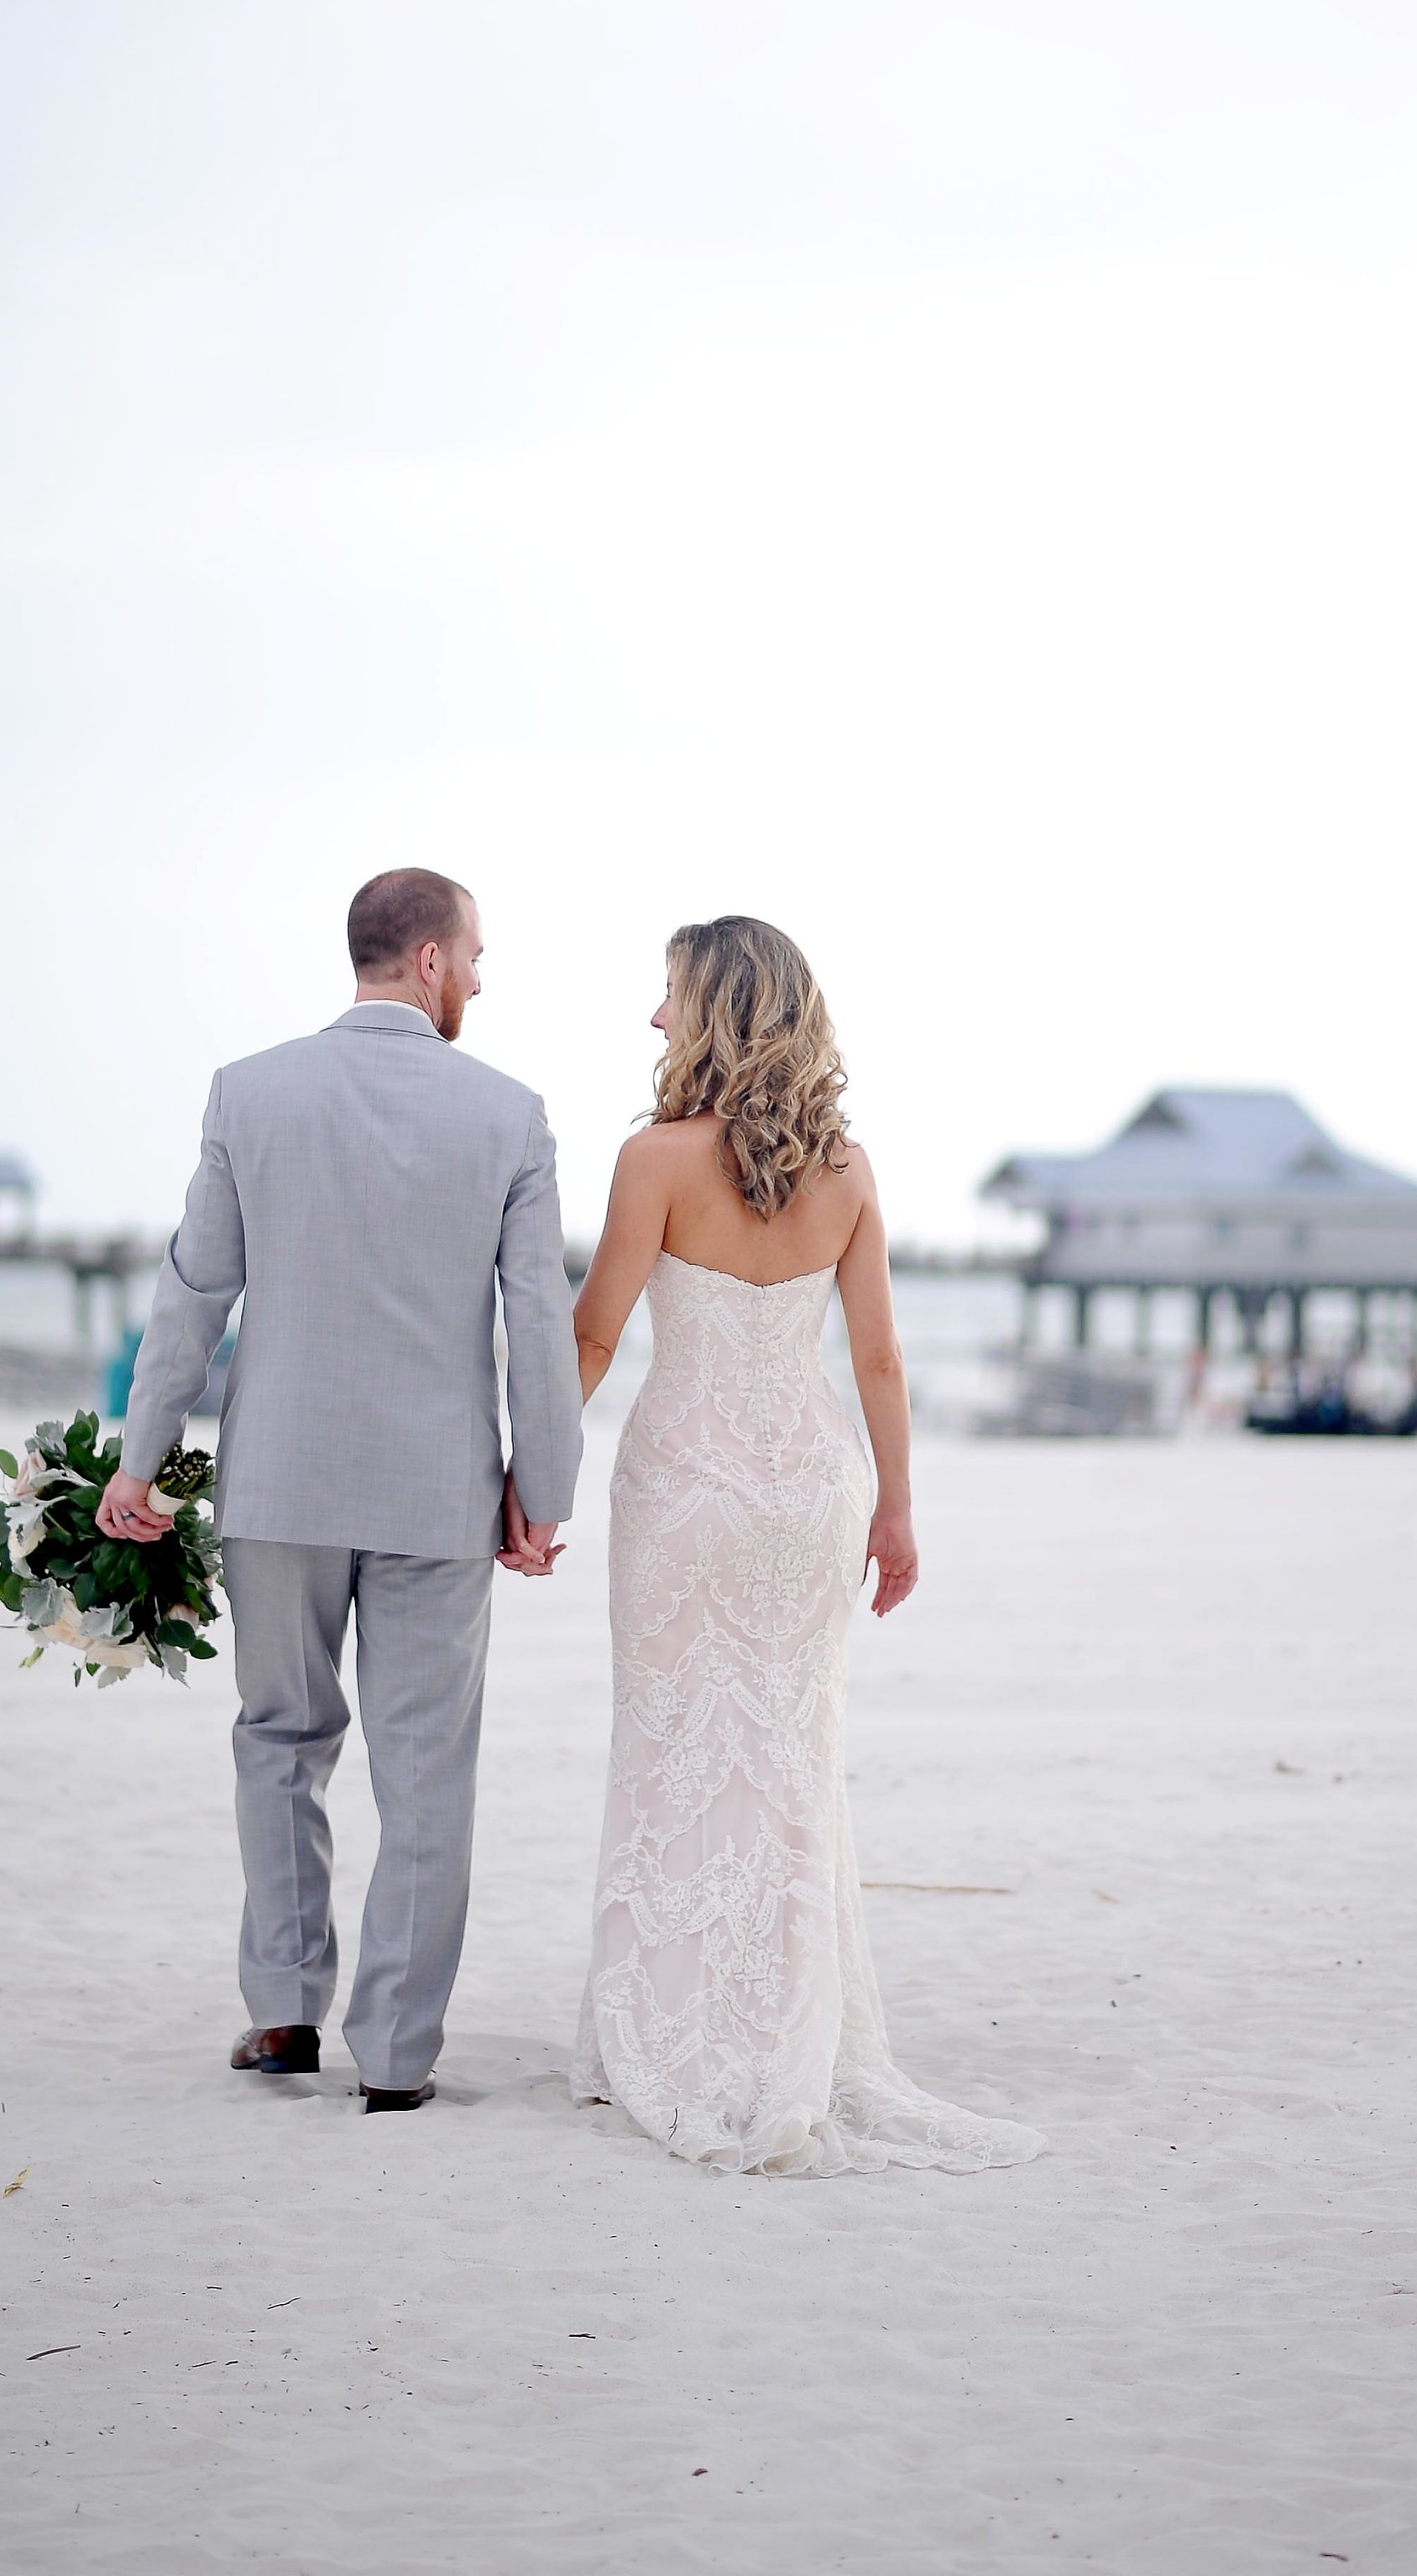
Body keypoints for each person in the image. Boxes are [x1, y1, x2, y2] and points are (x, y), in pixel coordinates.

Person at [96, 868, 582, 2108]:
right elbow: (537, 1324)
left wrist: (139, 1458)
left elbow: (193, 1294)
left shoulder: (249, 1094)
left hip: (283, 1486)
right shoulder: (509, 1117)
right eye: (474, 954)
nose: (479, 976)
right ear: (426, 958)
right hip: (437, 1495)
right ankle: (400, 2057)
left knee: (279, 1742)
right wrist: (546, 1488)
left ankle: (283, 2012)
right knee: (426, 1773)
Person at [567, 916, 1043, 2176]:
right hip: (809, 1492)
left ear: (715, 1012)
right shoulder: (848, 1167)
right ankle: (785, 2031)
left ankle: (664, 2029)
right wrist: (897, 1507)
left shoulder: (652, 1161)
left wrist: (525, 1473)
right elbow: (879, 1357)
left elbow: (595, 1339)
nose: (654, 1020)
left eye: (668, 998)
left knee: (669, 1739)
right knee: (788, 1758)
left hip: (685, 1490)